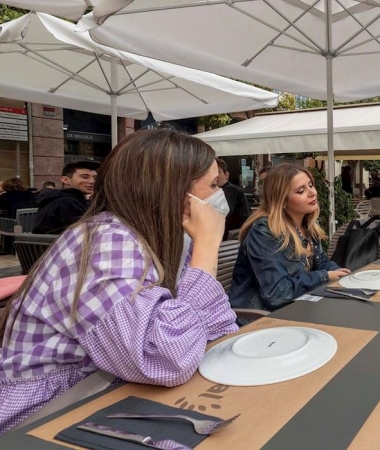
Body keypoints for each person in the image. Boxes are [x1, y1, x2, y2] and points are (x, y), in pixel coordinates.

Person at [0, 128, 238, 433]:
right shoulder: (107, 241)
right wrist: (208, 246)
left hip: (110, 393)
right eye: (213, 185)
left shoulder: (165, 238)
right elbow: (165, 359)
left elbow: (216, 325)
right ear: (175, 190)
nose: (221, 195)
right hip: (48, 415)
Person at [227, 164, 350, 313]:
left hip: (297, 308)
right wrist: (324, 277)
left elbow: (320, 261)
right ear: (282, 200)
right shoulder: (265, 231)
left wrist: (342, 275)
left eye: (311, 185)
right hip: (259, 318)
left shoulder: (306, 225)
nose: (312, 193)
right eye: (301, 191)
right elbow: (276, 294)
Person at [32, 160, 99, 234]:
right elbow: (87, 233)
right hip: (60, 244)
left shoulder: (55, 198)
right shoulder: (67, 203)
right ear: (65, 180)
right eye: (85, 177)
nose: (92, 181)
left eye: (95, 178)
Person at [216, 158, 250, 236]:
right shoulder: (223, 190)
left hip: (233, 237)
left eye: (218, 172)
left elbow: (220, 214)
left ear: (226, 175)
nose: (215, 176)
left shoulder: (231, 190)